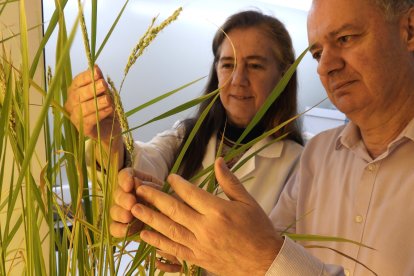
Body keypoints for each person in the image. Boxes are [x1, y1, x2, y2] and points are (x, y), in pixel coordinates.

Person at [125, 0, 414, 275]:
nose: (326, 66)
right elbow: (258, 251)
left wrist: (261, 258)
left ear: (409, 29)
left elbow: (267, 256)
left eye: (346, 39)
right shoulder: (320, 156)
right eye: (317, 54)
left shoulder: (301, 156)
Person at [65, 10, 304, 273]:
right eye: (227, 64)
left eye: (255, 65)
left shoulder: (300, 165)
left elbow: (290, 262)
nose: (238, 80)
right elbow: (144, 162)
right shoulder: (185, 138)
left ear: (283, 74)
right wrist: (109, 138)